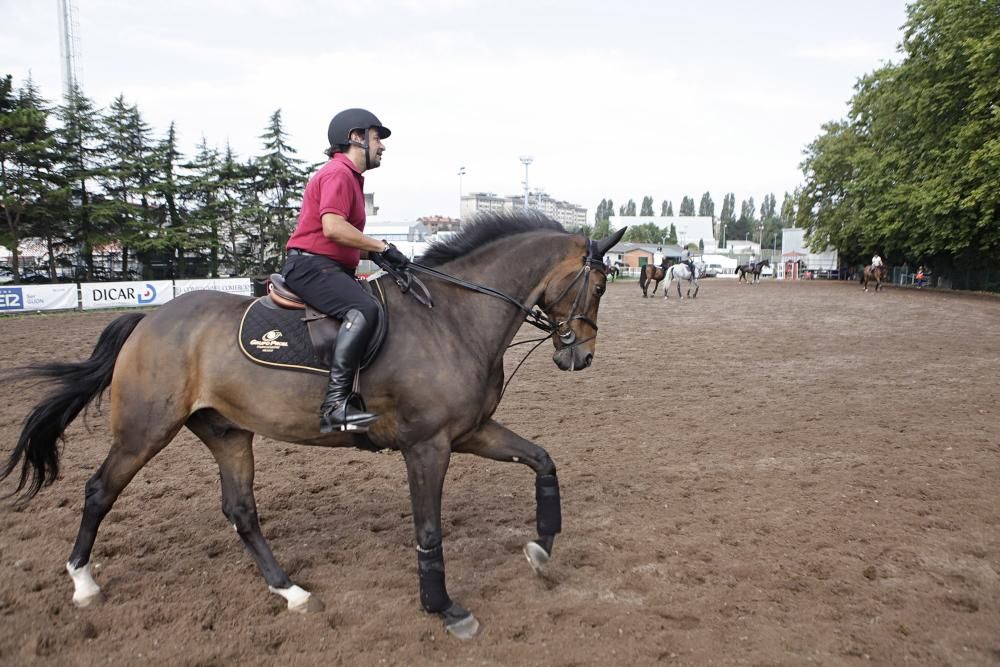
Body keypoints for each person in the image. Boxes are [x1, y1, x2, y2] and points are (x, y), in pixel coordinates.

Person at [282, 108, 408, 433]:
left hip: (328, 266)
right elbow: (333, 228)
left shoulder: (349, 178)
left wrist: (381, 256)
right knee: (364, 308)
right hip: (311, 266)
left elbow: (345, 238)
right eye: (377, 137)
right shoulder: (338, 173)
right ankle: (335, 406)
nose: (382, 146)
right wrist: (381, 247)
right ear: (356, 137)